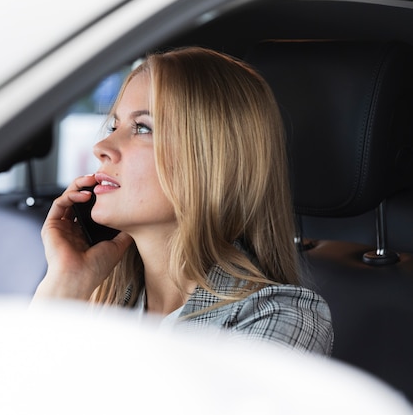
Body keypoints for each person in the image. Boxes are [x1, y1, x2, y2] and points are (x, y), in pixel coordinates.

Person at [32, 46, 334, 355]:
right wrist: (63, 285)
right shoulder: (101, 301)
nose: (102, 146)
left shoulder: (282, 317)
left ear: (211, 160)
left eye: (142, 128)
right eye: (113, 125)